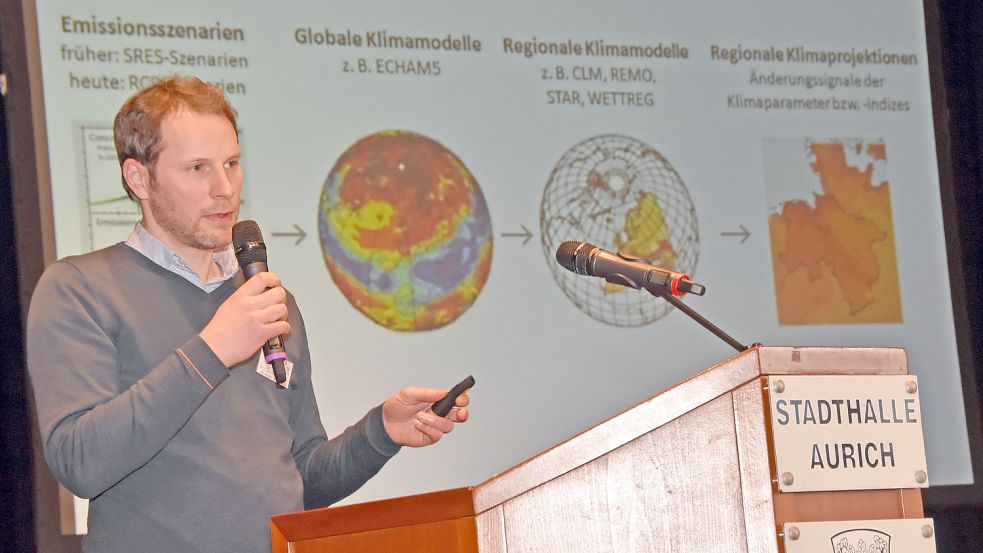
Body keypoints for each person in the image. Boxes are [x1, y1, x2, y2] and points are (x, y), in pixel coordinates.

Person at [26, 76, 469, 553]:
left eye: (232, 164)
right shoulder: (80, 288)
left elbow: (299, 479)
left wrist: (381, 432)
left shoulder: (267, 300)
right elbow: (80, 461)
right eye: (197, 168)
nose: (224, 189)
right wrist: (213, 348)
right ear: (139, 179)